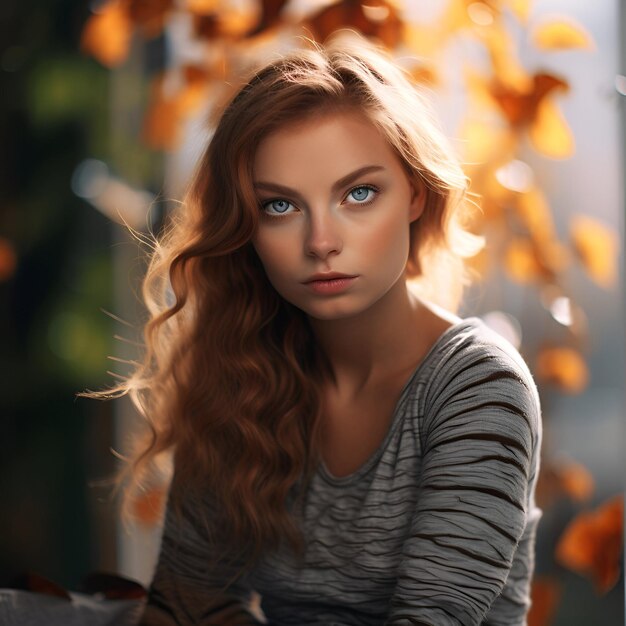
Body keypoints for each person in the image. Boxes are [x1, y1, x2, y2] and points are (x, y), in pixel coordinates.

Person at [104, 33, 542, 626]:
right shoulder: (244, 367)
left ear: (414, 193)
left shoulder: (477, 384)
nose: (320, 243)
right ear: (245, 227)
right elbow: (184, 604)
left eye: (358, 193)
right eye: (279, 206)